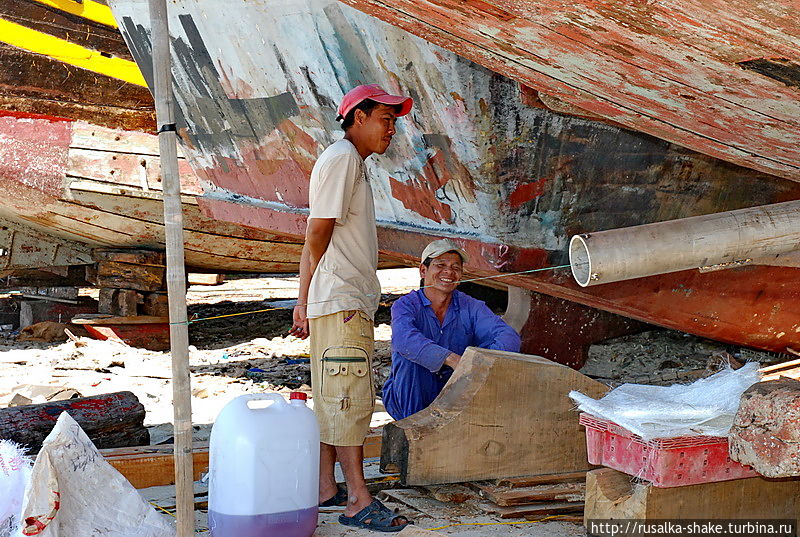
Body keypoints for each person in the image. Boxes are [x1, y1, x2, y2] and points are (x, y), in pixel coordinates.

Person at [289, 84, 413, 532]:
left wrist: (305, 299)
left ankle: (326, 486)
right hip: (342, 301)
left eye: (395, 122)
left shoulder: (346, 162)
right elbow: (317, 231)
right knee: (349, 399)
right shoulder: (342, 159)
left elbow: (315, 235)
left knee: (330, 394)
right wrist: (313, 295)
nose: (391, 130)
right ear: (357, 117)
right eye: (385, 119)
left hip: (335, 297)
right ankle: (359, 500)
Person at [382, 239, 521, 420]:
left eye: (456, 268)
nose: (448, 272)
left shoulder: (470, 306)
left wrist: (480, 363)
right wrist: (452, 359)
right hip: (409, 399)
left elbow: (508, 336)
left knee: (495, 354)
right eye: (440, 265)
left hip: (453, 395)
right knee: (410, 359)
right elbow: (404, 340)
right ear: (423, 271)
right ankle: (413, 427)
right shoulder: (405, 305)